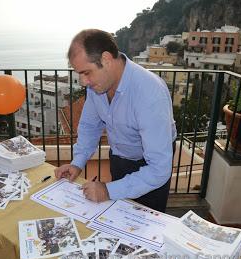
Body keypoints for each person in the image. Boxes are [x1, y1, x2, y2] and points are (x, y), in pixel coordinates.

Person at [54, 29, 176, 212]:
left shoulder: (150, 93)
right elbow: (89, 126)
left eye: (86, 72)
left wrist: (107, 190)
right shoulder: (98, 85)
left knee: (147, 224)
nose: (83, 81)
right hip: (119, 156)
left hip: (150, 165)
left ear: (106, 59)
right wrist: (77, 163)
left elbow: (159, 169)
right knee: (119, 215)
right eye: (79, 74)